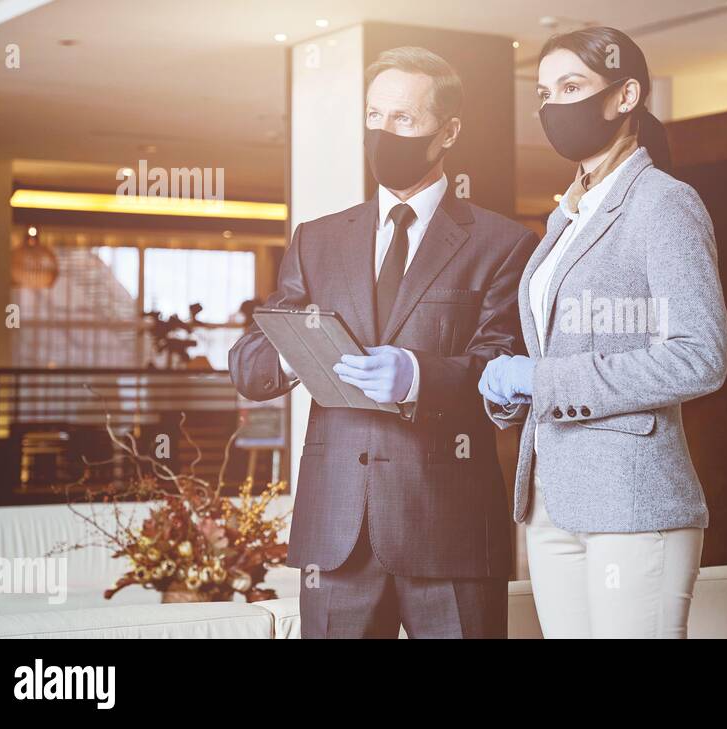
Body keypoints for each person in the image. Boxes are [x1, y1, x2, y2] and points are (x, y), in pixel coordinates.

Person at [229, 47, 538, 638]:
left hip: (450, 531)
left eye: (403, 119)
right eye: (374, 116)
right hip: (335, 530)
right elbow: (251, 366)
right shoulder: (316, 240)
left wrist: (419, 376)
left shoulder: (503, 243)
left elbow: (505, 373)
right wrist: (296, 353)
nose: (383, 132)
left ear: (448, 132)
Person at [476, 26, 727, 638]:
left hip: (633, 498)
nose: (553, 107)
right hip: (550, 498)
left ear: (625, 96)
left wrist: (544, 378)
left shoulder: (663, 202)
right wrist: (513, 391)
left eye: (571, 87)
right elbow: (557, 352)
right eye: (543, 93)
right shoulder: (567, 214)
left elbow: (700, 356)